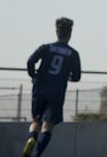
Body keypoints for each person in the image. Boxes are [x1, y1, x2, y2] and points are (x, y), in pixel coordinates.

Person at [22, 18, 81, 157]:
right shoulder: (73, 54)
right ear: (70, 34)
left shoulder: (46, 48)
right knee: (48, 125)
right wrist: (66, 76)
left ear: (56, 32)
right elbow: (77, 76)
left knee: (36, 121)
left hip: (39, 88)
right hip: (56, 91)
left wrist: (34, 76)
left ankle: (31, 138)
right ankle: (36, 154)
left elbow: (30, 61)